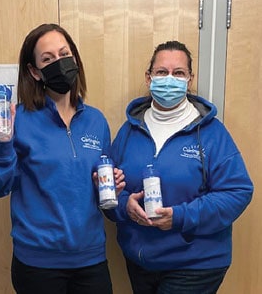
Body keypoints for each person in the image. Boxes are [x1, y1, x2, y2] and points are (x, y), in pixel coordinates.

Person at [0, 23, 124, 294]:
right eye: (48, 59)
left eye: (64, 53)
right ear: (34, 71)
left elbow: (107, 201)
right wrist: (3, 141)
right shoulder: (18, 118)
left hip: (91, 261)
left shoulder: (96, 121)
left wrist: (114, 188)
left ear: (75, 59)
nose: (60, 63)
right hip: (37, 265)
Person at [108, 40, 253, 294]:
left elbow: (237, 192)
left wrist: (181, 217)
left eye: (178, 73)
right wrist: (124, 206)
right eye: (162, 72)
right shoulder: (129, 131)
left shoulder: (211, 133)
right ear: (149, 77)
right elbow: (109, 190)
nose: (169, 79)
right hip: (140, 260)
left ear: (189, 79)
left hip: (195, 263)